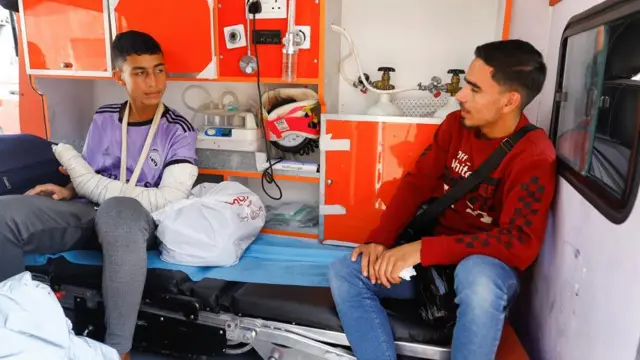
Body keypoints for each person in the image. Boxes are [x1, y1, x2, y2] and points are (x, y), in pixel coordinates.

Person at [329, 39, 556, 360]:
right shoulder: (456, 126)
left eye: (474, 89)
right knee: (347, 271)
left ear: (509, 101)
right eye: (465, 84)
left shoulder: (533, 155)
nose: (460, 95)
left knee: (476, 276)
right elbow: (416, 185)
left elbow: (519, 243)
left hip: (484, 270)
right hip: (434, 266)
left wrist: (422, 250)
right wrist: (380, 242)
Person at [0, 30, 198, 360]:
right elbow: (88, 176)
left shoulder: (178, 129)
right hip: (89, 211)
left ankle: (118, 351)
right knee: (4, 213)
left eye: (159, 70)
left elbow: (171, 197)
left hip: (138, 222)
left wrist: (95, 189)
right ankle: (13, 334)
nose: (154, 81)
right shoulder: (105, 117)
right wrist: (66, 189)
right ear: (118, 77)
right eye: (140, 72)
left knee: (119, 207)